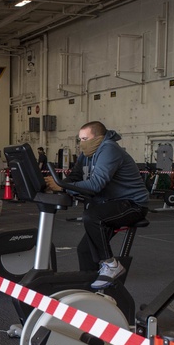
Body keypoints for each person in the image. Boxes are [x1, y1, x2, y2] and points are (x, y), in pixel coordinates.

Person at [44, 121, 148, 290]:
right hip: (110, 204)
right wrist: (56, 185)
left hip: (132, 205)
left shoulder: (109, 149)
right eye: (80, 139)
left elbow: (95, 185)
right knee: (84, 250)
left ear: (99, 137)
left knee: (92, 216)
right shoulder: (88, 153)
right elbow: (75, 176)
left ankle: (111, 265)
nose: (81, 143)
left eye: (85, 138)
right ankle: (92, 292)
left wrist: (62, 186)